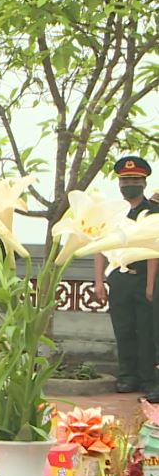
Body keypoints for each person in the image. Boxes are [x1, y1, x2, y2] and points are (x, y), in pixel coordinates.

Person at [96, 155, 156, 396]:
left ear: (143, 182)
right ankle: (127, 376)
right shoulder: (112, 214)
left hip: (145, 278)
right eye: (124, 180)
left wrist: (151, 284)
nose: (128, 184)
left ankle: (150, 380)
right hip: (119, 278)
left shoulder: (153, 211)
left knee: (148, 330)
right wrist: (99, 281)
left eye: (134, 179)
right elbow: (100, 246)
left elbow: (154, 248)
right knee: (123, 329)